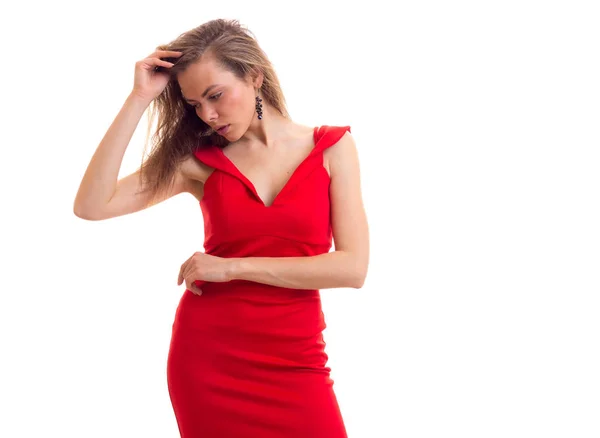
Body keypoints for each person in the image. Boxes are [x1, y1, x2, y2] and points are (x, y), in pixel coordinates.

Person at [73, 18, 369, 438]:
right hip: (210, 359)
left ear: (255, 77)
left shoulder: (331, 148)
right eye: (194, 104)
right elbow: (91, 205)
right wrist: (139, 98)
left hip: (296, 357)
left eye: (216, 95)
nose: (208, 115)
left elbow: (352, 269)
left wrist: (231, 268)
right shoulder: (199, 162)